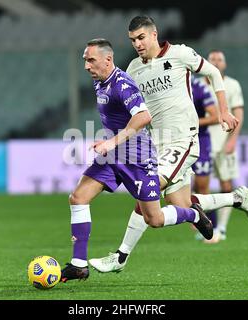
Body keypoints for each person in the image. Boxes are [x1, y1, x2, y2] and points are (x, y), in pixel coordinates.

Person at [89, 16, 248, 273]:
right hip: (155, 145)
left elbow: (212, 72)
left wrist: (223, 110)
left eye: (141, 38)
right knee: (181, 205)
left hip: (184, 139)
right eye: (133, 40)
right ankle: (236, 198)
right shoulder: (133, 68)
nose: (137, 44)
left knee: (147, 191)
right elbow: (131, 110)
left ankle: (120, 257)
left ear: (154, 34)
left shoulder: (179, 54)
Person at [60, 39, 213, 282]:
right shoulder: (100, 82)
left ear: (107, 60)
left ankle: (193, 215)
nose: (87, 66)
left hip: (138, 160)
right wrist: (110, 146)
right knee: (78, 197)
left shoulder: (122, 84)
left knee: (154, 219)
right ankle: (79, 265)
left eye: (91, 60)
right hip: (113, 157)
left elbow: (143, 116)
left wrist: (111, 142)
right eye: (85, 61)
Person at [204, 50, 245, 242]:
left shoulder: (232, 85)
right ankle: (207, 227)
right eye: (212, 60)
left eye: (220, 59)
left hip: (223, 144)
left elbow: (238, 113)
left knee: (226, 185)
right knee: (199, 186)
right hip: (202, 144)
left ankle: (222, 228)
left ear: (225, 64)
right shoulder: (198, 86)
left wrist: (233, 140)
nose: (216, 62)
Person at [189, 76, 221, 243]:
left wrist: (192, 123)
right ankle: (196, 219)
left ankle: (213, 228)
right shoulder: (168, 83)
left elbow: (215, 116)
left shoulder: (198, 87)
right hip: (176, 142)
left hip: (200, 141)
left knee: (202, 186)